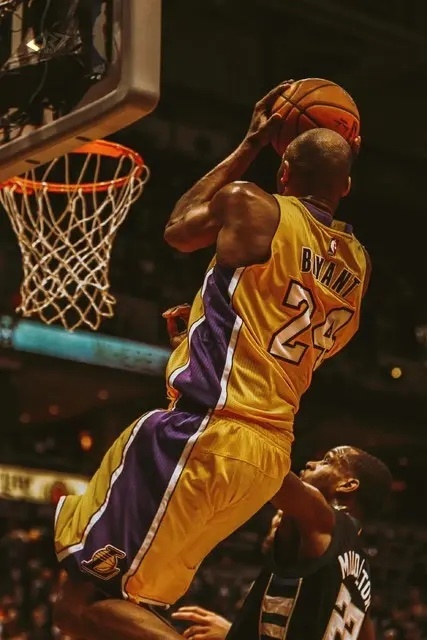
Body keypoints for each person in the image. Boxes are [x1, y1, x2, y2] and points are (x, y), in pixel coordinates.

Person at [53, 82, 368, 632]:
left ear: (284, 172)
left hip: (206, 432)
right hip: (267, 459)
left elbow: (179, 230)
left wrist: (249, 142)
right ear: (345, 185)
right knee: (115, 609)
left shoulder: (255, 204)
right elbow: (290, 332)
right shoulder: (358, 264)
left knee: (80, 603)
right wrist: (203, 325)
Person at [173, 446, 392, 640]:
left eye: (327, 460)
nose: (311, 463)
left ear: (348, 485)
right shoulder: (361, 579)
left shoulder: (324, 519)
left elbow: (263, 470)